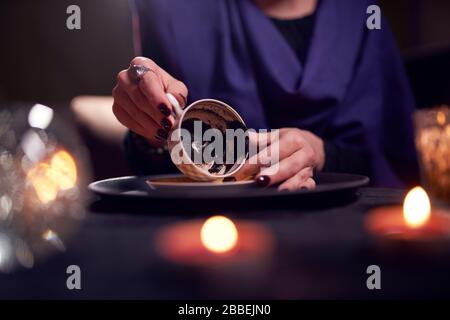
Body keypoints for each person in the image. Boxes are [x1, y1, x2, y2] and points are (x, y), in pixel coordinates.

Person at [112, 0, 419, 191]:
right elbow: (156, 166)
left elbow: (393, 163)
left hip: (339, 231)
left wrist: (320, 151)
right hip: (207, 224)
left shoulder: (362, 15)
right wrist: (151, 128)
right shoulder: (170, 10)